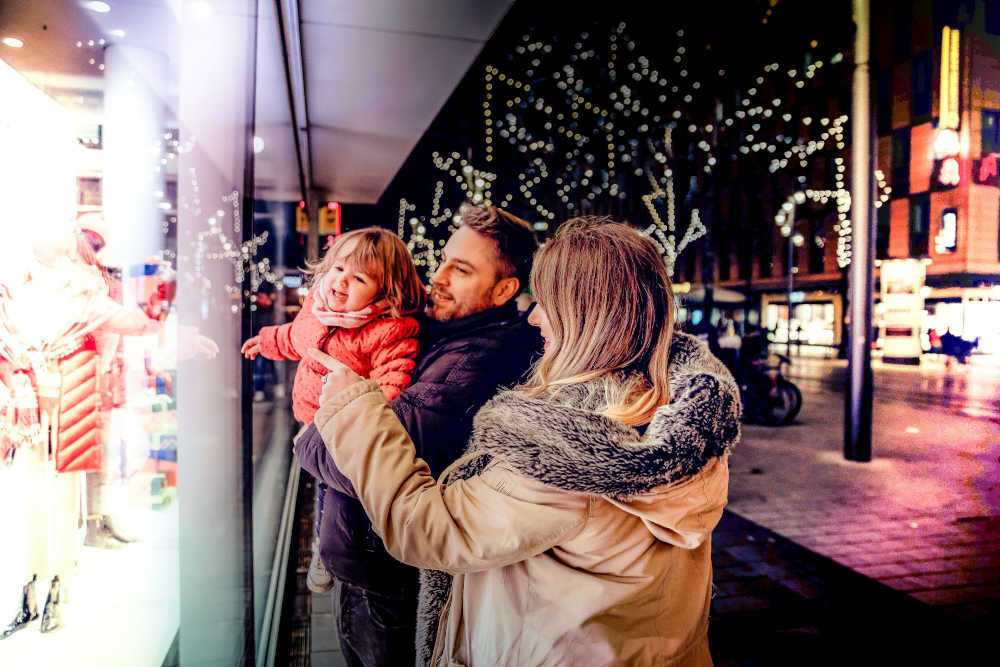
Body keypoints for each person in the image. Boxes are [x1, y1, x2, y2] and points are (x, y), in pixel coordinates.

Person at [310, 218, 741, 666]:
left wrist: (353, 408)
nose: (533, 316)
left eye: (546, 303)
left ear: (587, 316)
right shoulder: (679, 414)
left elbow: (427, 527)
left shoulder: (566, 452)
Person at [292, 204, 541, 666]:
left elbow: (370, 466)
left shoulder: (472, 361)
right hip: (368, 563)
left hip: (386, 581)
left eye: (461, 269)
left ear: (505, 288)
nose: (439, 277)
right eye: (443, 260)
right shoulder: (441, 332)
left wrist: (309, 433)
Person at [241, 227, 425, 593]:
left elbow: (392, 383)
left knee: (333, 494)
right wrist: (264, 341)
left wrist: (366, 419)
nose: (342, 282)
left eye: (359, 278)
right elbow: (293, 338)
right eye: (339, 269)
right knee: (321, 487)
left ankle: (328, 553)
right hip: (310, 420)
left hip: (345, 432)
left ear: (385, 290)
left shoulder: (389, 330)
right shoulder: (318, 308)